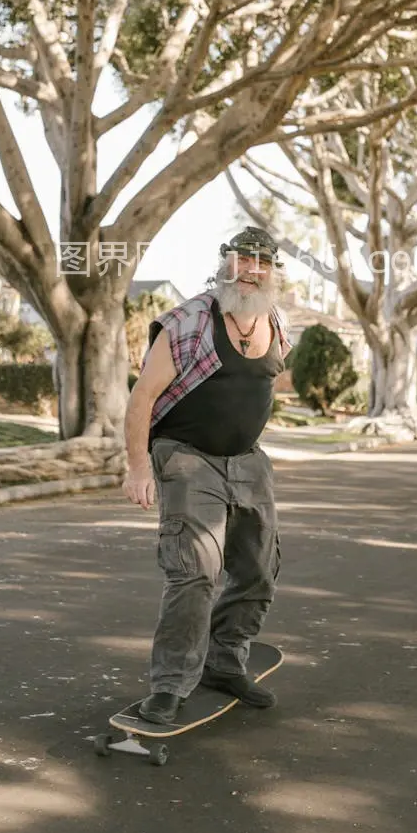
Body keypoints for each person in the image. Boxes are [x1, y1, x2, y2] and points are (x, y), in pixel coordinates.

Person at [122, 226, 291, 724]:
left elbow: (263, 383)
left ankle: (224, 660)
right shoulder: (189, 322)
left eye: (262, 261)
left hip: (249, 460)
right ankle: (170, 686)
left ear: (274, 271)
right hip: (189, 457)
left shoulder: (275, 321)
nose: (252, 269)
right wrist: (137, 468)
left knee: (259, 570)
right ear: (225, 263)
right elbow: (142, 398)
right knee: (195, 573)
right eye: (243, 259)